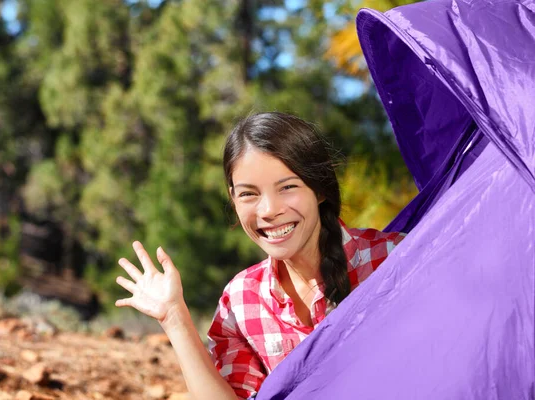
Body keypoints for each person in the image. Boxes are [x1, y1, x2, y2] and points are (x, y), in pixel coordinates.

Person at [115, 112, 406, 399]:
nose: (268, 210)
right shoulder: (242, 301)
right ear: (233, 198)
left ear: (319, 189)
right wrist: (174, 318)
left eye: (288, 187)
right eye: (248, 194)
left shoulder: (397, 260)